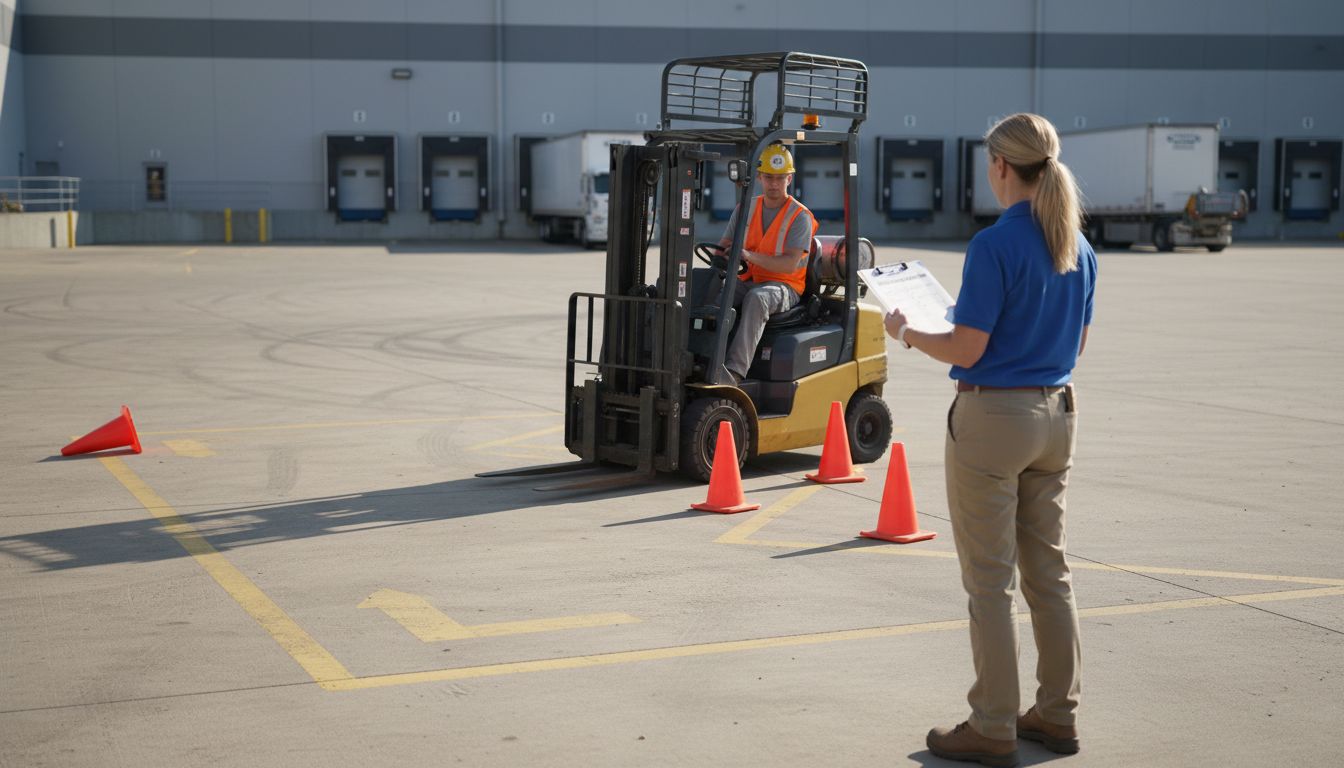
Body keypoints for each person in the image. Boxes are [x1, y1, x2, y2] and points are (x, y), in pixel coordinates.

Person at [884, 113, 1097, 767]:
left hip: (995, 421)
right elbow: (1076, 344)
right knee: (1049, 576)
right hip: (1056, 413)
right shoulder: (1076, 246)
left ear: (1003, 167)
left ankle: (993, 725)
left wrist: (910, 332)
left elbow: (969, 347)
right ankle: (1057, 715)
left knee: (989, 584)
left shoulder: (995, 244)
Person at [714, 143, 818, 383]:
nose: (774, 184)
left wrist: (748, 256)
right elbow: (723, 246)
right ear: (759, 177)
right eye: (769, 177)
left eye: (780, 178)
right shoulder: (745, 208)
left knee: (757, 299)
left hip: (785, 286)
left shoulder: (799, 216)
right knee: (713, 294)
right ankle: (702, 359)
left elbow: (790, 265)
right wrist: (719, 259)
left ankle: (735, 373)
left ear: (789, 179)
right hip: (749, 278)